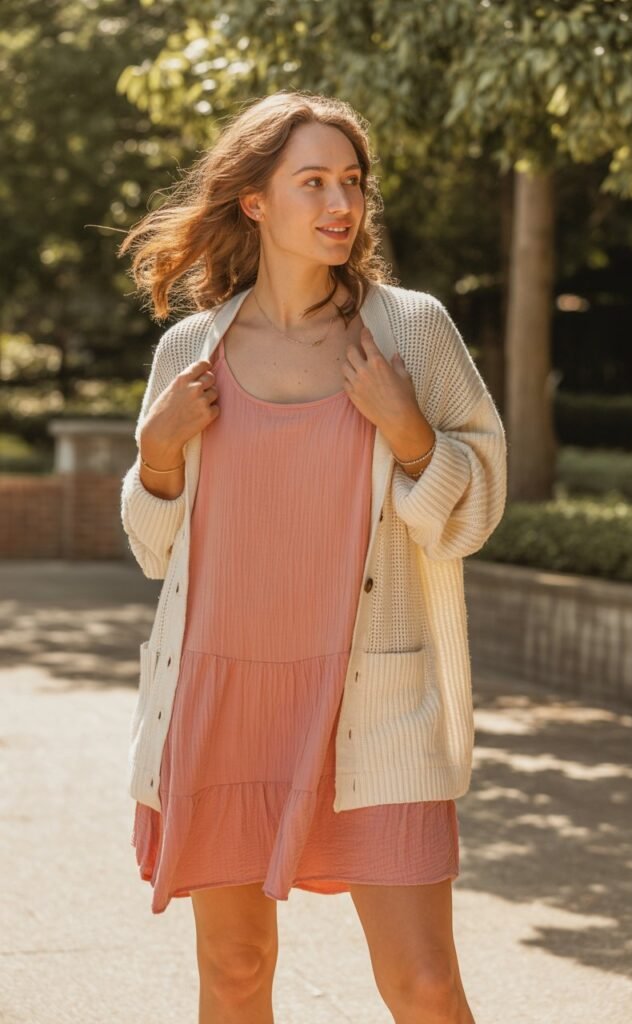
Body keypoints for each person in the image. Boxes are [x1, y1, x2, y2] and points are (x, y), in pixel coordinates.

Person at [119, 89, 507, 1024]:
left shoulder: (411, 330)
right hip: (222, 700)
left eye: (353, 182)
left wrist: (411, 430)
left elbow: (476, 510)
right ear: (254, 200)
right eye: (314, 182)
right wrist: (160, 450)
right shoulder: (192, 350)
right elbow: (153, 547)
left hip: (376, 702)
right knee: (237, 972)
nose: (342, 203)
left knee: (422, 984)